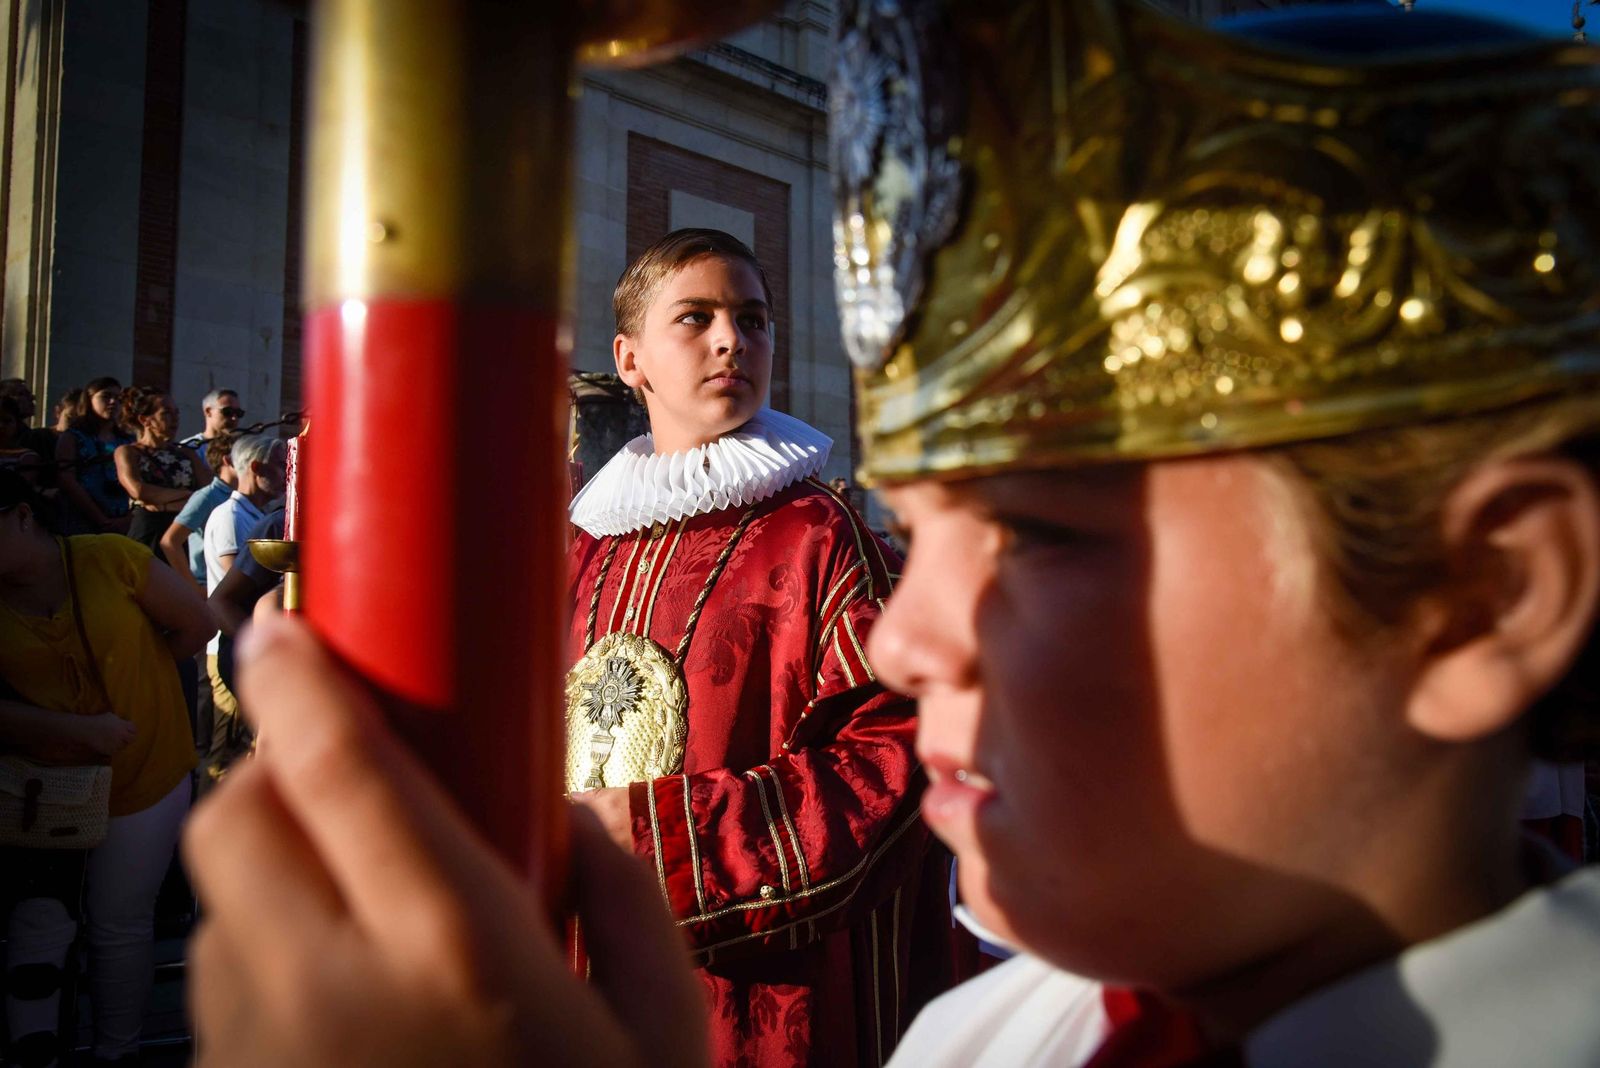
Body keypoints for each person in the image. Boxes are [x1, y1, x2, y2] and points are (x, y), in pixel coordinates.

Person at [182, 4, 1600, 1067]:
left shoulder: (814, 538)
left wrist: (647, 849)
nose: (911, 637)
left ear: (1481, 594)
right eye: (930, 530)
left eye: (1039, 534)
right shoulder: (978, 1043)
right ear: (630, 355)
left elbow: (857, 767)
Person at [561, 228, 957, 1066]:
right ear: (629, 360)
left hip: (765, 983)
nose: (732, 340)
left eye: (753, 319)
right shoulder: (585, 548)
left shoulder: (821, 535)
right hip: (585, 971)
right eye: (695, 318)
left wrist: (659, 837)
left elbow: (897, 757)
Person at [0, 468, 212, 1065]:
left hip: (144, 772)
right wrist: (70, 729)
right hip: (38, 786)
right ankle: (33, 1054)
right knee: (37, 924)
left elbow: (196, 624)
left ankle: (115, 1054)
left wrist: (140, 678)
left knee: (119, 924)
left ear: (21, 515)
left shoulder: (110, 558)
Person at [201, 434, 284, 781]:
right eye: (280, 465)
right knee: (228, 758)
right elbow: (224, 597)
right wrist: (259, 651)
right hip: (243, 652)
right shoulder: (235, 517)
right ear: (256, 467)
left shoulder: (257, 514)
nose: (285, 473)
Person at [114, 387, 212, 557]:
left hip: (178, 532)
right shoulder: (129, 452)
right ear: (146, 420)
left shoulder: (186, 453)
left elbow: (206, 492)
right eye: (166, 413)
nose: (174, 419)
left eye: (176, 413)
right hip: (147, 530)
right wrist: (189, 497)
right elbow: (138, 490)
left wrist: (162, 503)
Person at [159, 434, 238, 600]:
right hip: (209, 587)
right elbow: (170, 541)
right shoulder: (207, 496)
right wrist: (193, 588)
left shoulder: (239, 497)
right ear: (227, 461)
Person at [55, 378, 131, 536]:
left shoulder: (128, 441)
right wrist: (100, 519)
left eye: (118, 399)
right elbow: (66, 479)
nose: (113, 402)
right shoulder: (73, 437)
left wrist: (128, 519)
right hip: (83, 518)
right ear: (89, 400)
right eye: (106, 396)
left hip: (123, 519)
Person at [178, 388, 244, 452]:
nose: (234, 418)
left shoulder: (242, 448)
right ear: (208, 412)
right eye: (228, 412)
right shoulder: (189, 448)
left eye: (238, 413)